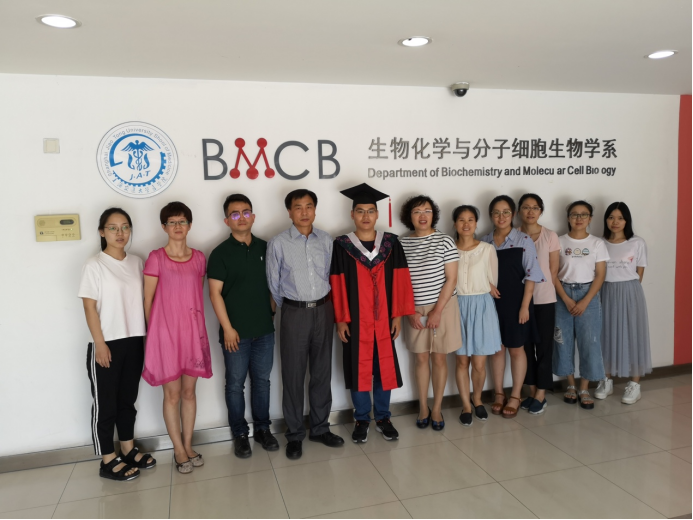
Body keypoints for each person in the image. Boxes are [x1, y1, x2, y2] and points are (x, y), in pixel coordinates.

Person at [330, 183, 415, 443]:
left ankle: (383, 417)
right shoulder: (342, 245)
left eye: (370, 211)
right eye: (360, 211)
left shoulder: (390, 243)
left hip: (384, 319)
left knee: (383, 367)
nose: (365, 216)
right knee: (359, 369)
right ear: (352, 214)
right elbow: (337, 283)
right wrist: (341, 320)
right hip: (356, 321)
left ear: (377, 214)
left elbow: (400, 280)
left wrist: (397, 315)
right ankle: (362, 418)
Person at [266, 189, 344, 460]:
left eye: (309, 206)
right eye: (298, 207)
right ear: (289, 211)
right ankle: (295, 434)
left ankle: (321, 428)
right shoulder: (278, 243)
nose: (304, 212)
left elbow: (331, 277)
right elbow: (273, 285)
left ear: (315, 209)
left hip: (324, 310)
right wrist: (293, 306)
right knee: (293, 375)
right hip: (294, 313)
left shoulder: (326, 240)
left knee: (322, 372)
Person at [79, 207, 155, 481]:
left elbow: (145, 300)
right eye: (113, 228)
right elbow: (89, 308)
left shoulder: (137, 262)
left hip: (134, 340)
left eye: (125, 227)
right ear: (102, 232)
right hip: (107, 343)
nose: (120, 233)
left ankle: (127, 449)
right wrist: (99, 344)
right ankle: (107, 459)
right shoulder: (94, 265)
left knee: (127, 401)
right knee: (105, 405)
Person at [143, 202, 212, 474]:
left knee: (189, 393)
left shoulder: (199, 258)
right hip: (165, 336)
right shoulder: (156, 258)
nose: (177, 226)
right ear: (164, 227)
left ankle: (188, 444)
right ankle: (178, 449)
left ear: (190, 225)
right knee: (171, 395)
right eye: (171, 222)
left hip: (192, 335)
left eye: (182, 221)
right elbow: (148, 300)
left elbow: (195, 296)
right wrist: (153, 335)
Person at [208, 194, 279, 458]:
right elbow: (214, 293)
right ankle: (240, 434)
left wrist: (271, 312)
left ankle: (262, 429)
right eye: (235, 214)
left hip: (264, 332)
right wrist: (227, 328)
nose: (241, 217)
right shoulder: (220, 253)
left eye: (246, 212)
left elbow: (274, 284)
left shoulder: (267, 248)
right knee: (235, 385)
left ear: (253, 216)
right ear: (227, 220)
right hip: (235, 334)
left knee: (262, 382)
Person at [399, 195, 461, 431]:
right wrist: (409, 311)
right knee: (421, 358)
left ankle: (437, 408)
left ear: (433, 215)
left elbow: (451, 279)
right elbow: (400, 282)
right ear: (409, 217)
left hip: (443, 308)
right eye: (417, 211)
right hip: (414, 309)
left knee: (439, 358)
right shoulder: (402, 243)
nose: (422, 216)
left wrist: (437, 311)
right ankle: (423, 407)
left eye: (426, 211)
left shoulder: (445, 240)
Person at [481, 195, 543, 419]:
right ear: (491, 215)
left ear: (513, 214)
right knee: (497, 349)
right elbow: (477, 272)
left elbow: (532, 275)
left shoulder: (523, 240)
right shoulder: (484, 241)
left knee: (517, 349)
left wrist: (525, 306)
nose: (501, 217)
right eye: (497, 213)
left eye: (506, 212)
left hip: (517, 302)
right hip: (491, 303)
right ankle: (499, 393)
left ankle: (516, 395)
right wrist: (487, 284)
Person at [553, 200, 609, 409]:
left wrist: (585, 300)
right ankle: (570, 385)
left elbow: (600, 275)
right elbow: (552, 273)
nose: (579, 218)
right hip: (563, 294)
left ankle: (584, 387)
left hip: (589, 294)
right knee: (563, 340)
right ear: (568, 218)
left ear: (590, 218)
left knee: (589, 342)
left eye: (584, 214)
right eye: (574, 214)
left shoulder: (597, 243)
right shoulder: (559, 241)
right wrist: (566, 299)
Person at [596, 202, 651, 404]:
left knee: (633, 335)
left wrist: (627, 292)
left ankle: (634, 384)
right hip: (605, 291)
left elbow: (639, 273)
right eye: (611, 217)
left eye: (620, 218)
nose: (615, 222)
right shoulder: (600, 243)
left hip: (629, 292)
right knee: (606, 334)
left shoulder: (637, 242)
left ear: (627, 220)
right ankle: (606, 380)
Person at [453, 205, 502, 426]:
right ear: (455, 223)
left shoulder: (487, 249)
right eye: (461, 220)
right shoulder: (449, 248)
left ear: (476, 223)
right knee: (462, 361)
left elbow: (493, 281)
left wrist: (486, 286)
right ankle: (466, 405)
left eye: (470, 219)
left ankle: (478, 399)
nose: (466, 224)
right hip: (457, 306)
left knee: (479, 363)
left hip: (481, 307)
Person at [517, 194, 561, 415]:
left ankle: (541, 393)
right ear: (519, 211)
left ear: (541, 211)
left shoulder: (550, 236)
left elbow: (553, 270)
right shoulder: (513, 235)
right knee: (524, 348)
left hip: (544, 299)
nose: (530, 211)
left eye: (535, 208)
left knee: (543, 347)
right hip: (520, 301)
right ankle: (532, 390)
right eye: (526, 207)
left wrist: (541, 289)